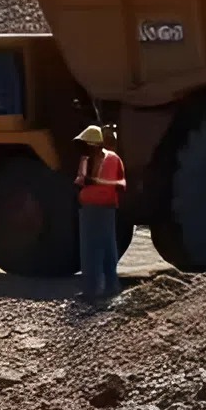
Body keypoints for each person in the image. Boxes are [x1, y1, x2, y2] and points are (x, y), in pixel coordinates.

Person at [75, 124, 126, 302]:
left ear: (95, 145)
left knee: (103, 248)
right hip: (90, 208)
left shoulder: (113, 159)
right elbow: (80, 180)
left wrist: (96, 182)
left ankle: (106, 287)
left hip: (104, 208)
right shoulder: (86, 160)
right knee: (92, 249)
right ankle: (95, 289)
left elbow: (121, 184)